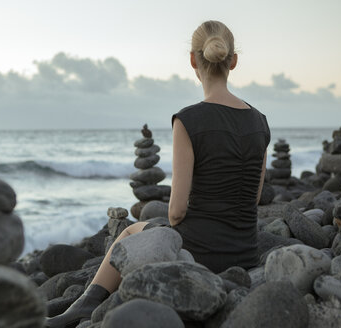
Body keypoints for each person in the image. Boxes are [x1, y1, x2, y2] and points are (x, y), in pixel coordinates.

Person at [45, 20, 270, 328]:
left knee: (129, 232)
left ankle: (85, 306)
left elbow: (176, 213)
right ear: (233, 60)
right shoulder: (260, 122)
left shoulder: (188, 119)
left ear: (193, 60)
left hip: (200, 254)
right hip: (246, 253)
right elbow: (253, 198)